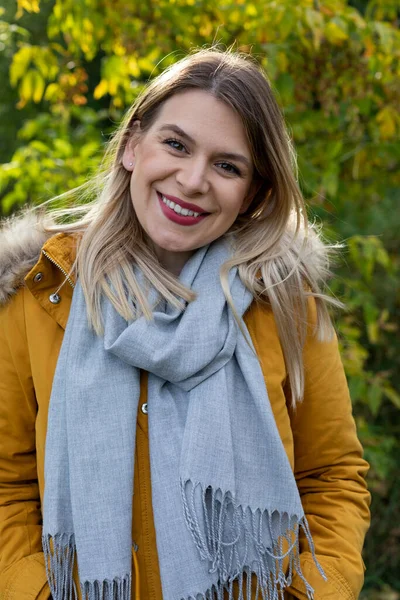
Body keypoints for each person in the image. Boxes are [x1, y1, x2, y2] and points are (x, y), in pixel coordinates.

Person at [0, 48, 370, 600]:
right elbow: (7, 484)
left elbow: (332, 477)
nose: (193, 180)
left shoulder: (285, 303)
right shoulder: (40, 294)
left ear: (254, 194)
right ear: (132, 146)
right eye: (175, 144)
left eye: (228, 166)